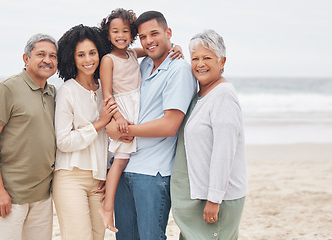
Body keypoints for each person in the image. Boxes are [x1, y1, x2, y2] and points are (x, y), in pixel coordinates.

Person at [105, 11, 197, 240]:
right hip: (125, 165)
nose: (149, 41)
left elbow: (169, 125)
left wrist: (123, 130)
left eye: (154, 34)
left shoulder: (179, 70)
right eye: (143, 36)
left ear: (168, 33)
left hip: (152, 174)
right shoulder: (144, 64)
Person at [171, 30, 248, 240]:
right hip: (200, 195)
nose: (200, 64)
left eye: (207, 58)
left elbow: (224, 152)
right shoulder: (201, 93)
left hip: (217, 198)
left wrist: (214, 200)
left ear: (222, 61)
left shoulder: (223, 95)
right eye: (195, 58)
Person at [0, 33, 58, 240]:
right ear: (26, 58)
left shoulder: (53, 94)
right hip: (11, 195)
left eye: (53, 56)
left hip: (43, 195)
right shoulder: (7, 89)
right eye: (41, 54)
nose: (47, 60)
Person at [52, 24, 118, 240]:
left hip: (99, 179)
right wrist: (99, 123)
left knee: (98, 236)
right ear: (72, 58)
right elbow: (63, 141)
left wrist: (108, 172)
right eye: (81, 54)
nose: (88, 59)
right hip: (71, 177)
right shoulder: (68, 90)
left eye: (92, 53)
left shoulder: (105, 88)